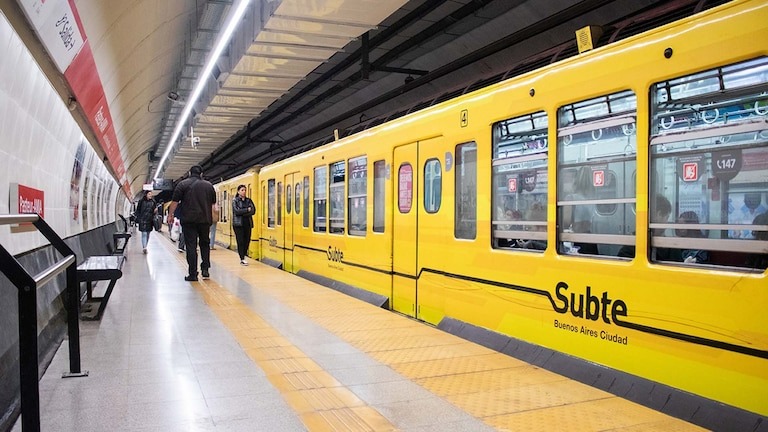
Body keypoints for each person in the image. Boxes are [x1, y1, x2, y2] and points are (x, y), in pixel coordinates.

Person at [167, 165, 217, 281]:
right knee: (205, 244)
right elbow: (214, 205)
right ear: (201, 174)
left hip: (189, 221)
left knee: (191, 246)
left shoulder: (182, 184)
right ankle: (205, 269)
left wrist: (170, 215)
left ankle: (193, 274)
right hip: (205, 220)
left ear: (189, 173)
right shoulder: (209, 186)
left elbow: (175, 202)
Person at [618, 195, 672, 259]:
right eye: (667, 217)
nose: (667, 222)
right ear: (659, 214)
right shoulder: (669, 247)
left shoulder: (629, 246)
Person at [232, 184, 255, 265]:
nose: (244, 192)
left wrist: (243, 212)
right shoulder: (235, 201)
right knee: (240, 241)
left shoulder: (249, 200)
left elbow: (253, 211)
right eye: (242, 190)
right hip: (238, 225)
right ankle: (242, 258)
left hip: (248, 224)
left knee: (247, 240)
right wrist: (246, 210)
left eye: (245, 190)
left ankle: (244, 255)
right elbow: (236, 211)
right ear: (238, 191)